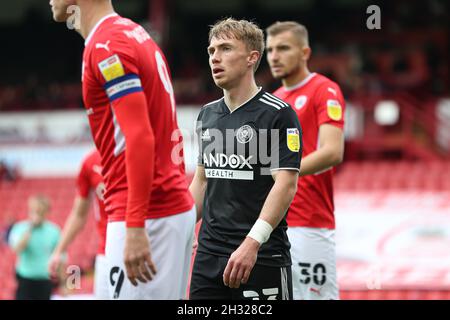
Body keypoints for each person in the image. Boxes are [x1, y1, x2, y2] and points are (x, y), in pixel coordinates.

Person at [50, 0, 195, 299]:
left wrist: (135, 225)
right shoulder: (132, 34)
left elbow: (139, 137)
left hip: (147, 212)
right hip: (159, 207)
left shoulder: (107, 44)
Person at [189, 18, 302, 300]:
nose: (215, 57)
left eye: (225, 49)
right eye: (211, 50)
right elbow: (202, 181)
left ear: (252, 57)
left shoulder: (279, 113)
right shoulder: (207, 114)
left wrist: (252, 243)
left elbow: (286, 184)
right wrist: (178, 229)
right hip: (208, 257)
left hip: (260, 255)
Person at [266, 21, 345, 300]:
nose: (274, 56)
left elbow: (333, 151)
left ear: (305, 52)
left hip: (309, 219)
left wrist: (282, 173)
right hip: (274, 221)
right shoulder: (274, 99)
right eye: (270, 49)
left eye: (283, 48)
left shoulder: (324, 90)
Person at [48, 149, 108, 299]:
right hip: (106, 249)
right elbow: (78, 214)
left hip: (146, 243)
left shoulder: (142, 149)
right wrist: (58, 251)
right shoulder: (90, 162)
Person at [8, 195, 61, 300]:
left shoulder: (54, 230)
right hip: (25, 280)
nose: (38, 214)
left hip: (45, 280)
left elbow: (61, 257)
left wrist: (65, 284)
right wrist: (31, 228)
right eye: (35, 211)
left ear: (47, 212)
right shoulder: (19, 228)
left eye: (41, 211)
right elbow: (17, 249)